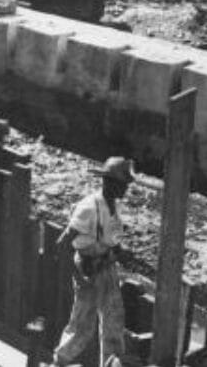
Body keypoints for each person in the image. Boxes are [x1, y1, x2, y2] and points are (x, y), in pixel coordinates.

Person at [53, 156, 135, 366]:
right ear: (110, 183)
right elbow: (63, 244)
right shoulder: (88, 208)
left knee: (114, 322)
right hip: (88, 269)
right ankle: (60, 361)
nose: (126, 189)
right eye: (123, 185)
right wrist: (78, 276)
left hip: (107, 268)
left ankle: (111, 363)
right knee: (82, 326)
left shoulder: (114, 207)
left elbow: (111, 238)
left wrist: (121, 252)